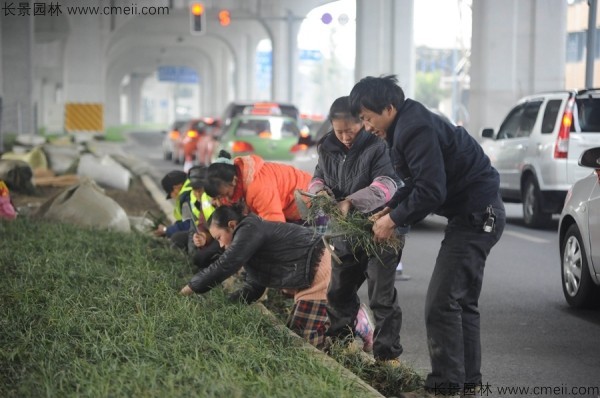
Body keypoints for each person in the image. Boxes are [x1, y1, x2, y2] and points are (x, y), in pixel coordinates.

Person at [349, 75, 506, 397]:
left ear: (388, 108)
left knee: (441, 303)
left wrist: (392, 220)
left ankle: (443, 389)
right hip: (476, 214)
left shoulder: (414, 128)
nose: (366, 127)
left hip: (477, 217)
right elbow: (417, 184)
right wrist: (389, 208)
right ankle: (466, 386)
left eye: (367, 118)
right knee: (460, 304)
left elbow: (432, 191)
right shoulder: (408, 123)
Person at [307, 96, 402, 361]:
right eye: (340, 131)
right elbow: (317, 178)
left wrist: (352, 201)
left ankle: (388, 358)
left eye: (351, 130)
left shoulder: (379, 145)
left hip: (381, 228)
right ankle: (343, 347)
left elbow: (387, 184)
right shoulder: (327, 147)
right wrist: (320, 193)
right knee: (338, 291)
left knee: (380, 298)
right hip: (345, 232)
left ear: (362, 122)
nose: (346, 137)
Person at [179, 205, 331, 348]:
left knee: (302, 340)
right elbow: (254, 287)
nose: (220, 245)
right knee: (297, 334)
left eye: (219, 237)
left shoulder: (249, 230)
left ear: (232, 226)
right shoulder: (252, 240)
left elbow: (224, 265)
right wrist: (223, 307)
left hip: (319, 268)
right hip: (313, 268)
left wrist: (188, 289)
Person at [204, 151, 312, 223]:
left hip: (309, 200)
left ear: (234, 180)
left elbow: (275, 223)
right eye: (220, 197)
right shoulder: (239, 176)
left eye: (226, 195)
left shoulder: (257, 187)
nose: (225, 199)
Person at [186, 165, 221, 269]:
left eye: (200, 189)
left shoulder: (215, 197)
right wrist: (202, 237)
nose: (197, 193)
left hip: (222, 237)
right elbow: (196, 226)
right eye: (194, 190)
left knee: (201, 258)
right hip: (211, 235)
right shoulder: (196, 199)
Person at [154, 170, 194, 249]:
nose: (172, 197)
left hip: (201, 234)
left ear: (176, 187)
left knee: (177, 238)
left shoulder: (187, 198)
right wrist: (169, 229)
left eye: (171, 194)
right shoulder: (191, 190)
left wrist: (166, 230)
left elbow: (188, 226)